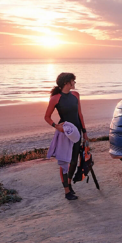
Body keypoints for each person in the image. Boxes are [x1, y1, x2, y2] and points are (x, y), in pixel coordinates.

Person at [44, 72, 90, 200]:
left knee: (74, 161)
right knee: (65, 161)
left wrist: (85, 132)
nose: (74, 83)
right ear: (66, 83)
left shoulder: (76, 95)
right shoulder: (55, 98)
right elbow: (46, 117)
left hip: (77, 132)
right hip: (65, 133)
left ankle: (69, 184)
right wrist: (56, 126)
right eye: (73, 81)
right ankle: (66, 191)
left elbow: (80, 115)